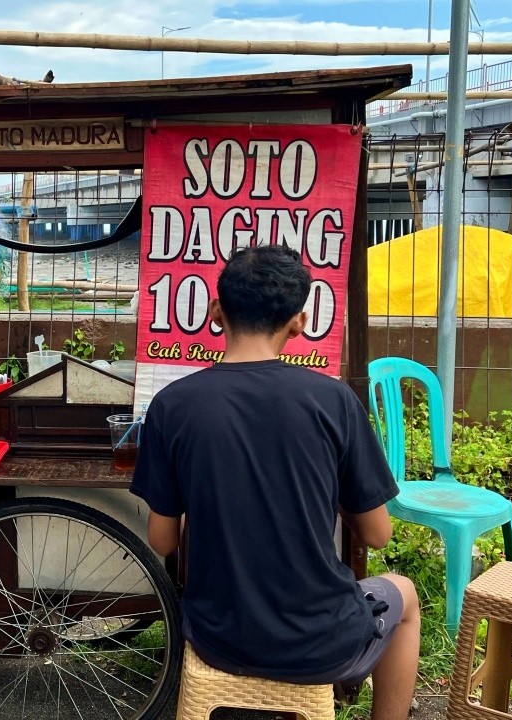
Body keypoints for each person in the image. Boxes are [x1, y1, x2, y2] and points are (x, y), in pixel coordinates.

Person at [130, 244, 420, 720]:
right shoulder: (333, 401)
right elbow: (377, 534)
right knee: (404, 596)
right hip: (322, 640)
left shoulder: (172, 405)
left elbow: (162, 540)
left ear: (216, 312)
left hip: (217, 637)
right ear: (299, 323)